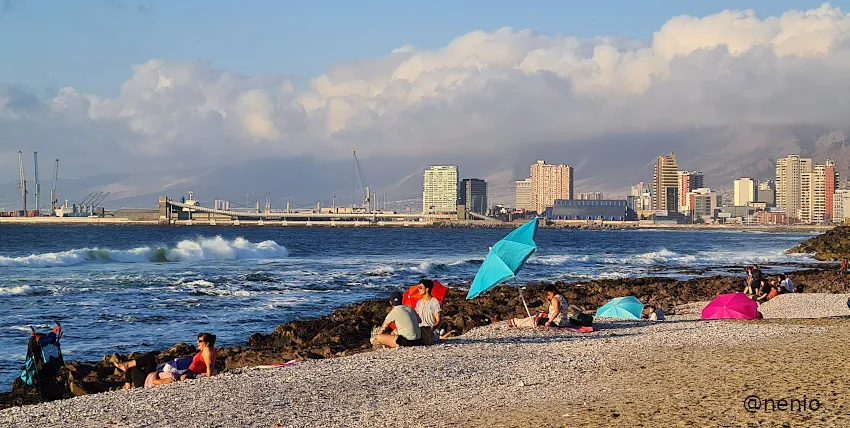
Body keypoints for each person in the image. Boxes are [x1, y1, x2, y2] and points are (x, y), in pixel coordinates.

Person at [145, 332, 217, 387]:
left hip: (192, 374)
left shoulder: (207, 350)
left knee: (164, 376)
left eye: (200, 341)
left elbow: (209, 365)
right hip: (190, 373)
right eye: (198, 340)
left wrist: (208, 378)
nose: (197, 343)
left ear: (207, 343)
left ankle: (154, 379)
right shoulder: (212, 349)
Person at [414, 279, 442, 345]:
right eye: (418, 288)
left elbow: (438, 321)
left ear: (427, 289)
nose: (418, 289)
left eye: (420, 288)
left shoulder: (435, 303)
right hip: (420, 329)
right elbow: (416, 318)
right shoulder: (419, 303)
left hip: (431, 331)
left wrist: (433, 328)